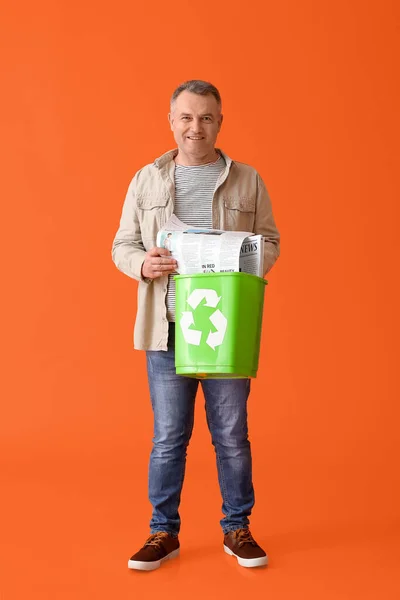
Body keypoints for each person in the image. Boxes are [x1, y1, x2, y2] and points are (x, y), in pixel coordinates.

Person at [111, 80, 280, 571]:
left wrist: (242, 255)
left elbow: (270, 241)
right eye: (186, 117)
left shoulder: (248, 179)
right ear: (172, 122)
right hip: (167, 330)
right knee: (169, 436)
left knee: (231, 435)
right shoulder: (146, 180)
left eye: (206, 117)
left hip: (227, 327)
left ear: (220, 122)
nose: (195, 127)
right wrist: (144, 263)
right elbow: (121, 245)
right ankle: (162, 532)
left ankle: (237, 529)